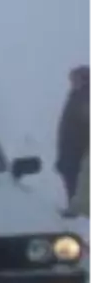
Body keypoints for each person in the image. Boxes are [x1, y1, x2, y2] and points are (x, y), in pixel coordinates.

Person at [56, 67, 91, 204]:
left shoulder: (86, 97)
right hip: (70, 150)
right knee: (72, 183)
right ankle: (74, 207)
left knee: (80, 185)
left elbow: (84, 124)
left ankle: (79, 212)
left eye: (75, 79)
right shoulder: (75, 96)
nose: (72, 82)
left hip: (80, 153)